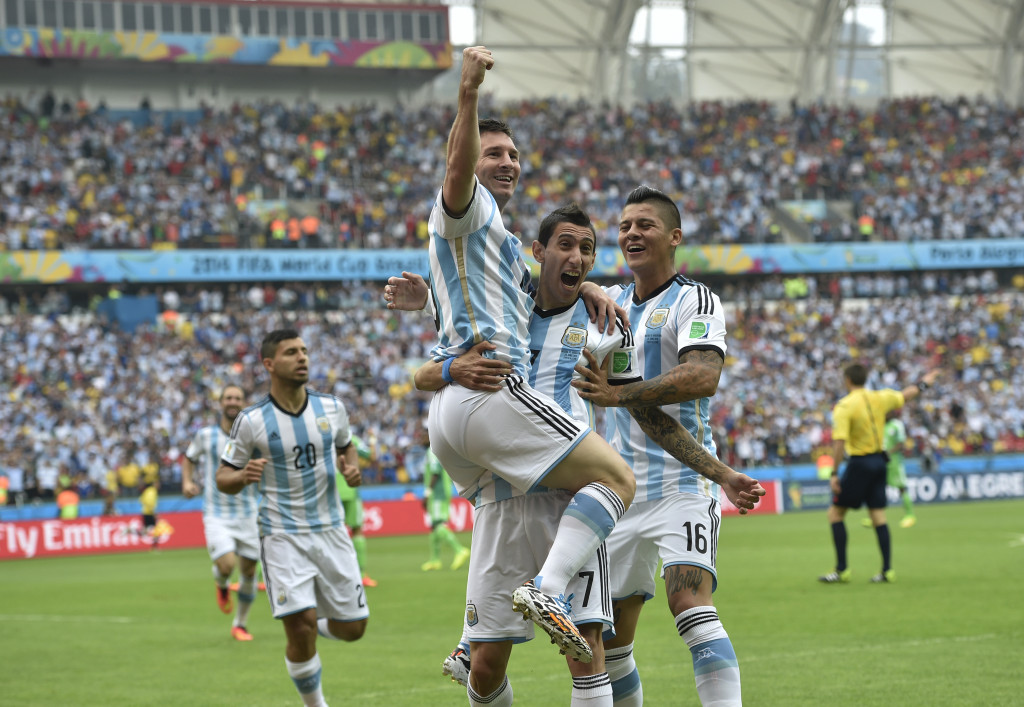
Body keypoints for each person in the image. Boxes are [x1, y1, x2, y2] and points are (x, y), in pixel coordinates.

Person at [414, 203, 762, 707]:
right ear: (538, 252)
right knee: (524, 662)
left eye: (587, 249)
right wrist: (430, 311)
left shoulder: (622, 318)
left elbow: (656, 393)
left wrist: (719, 472)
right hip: (545, 497)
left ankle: (546, 589)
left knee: (626, 634)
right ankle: (478, 637)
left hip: (608, 491)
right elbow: (439, 357)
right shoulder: (541, 308)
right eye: (623, 226)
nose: (579, 256)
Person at [386, 45, 636, 666]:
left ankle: (475, 640)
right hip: (494, 396)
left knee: (490, 660)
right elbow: (454, 174)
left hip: (456, 414)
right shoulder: (468, 206)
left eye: (514, 154)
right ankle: (548, 591)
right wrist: (468, 93)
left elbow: (514, 288)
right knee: (616, 478)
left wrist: (428, 304)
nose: (508, 162)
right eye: (494, 152)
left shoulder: (498, 244)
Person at [572, 185, 762, 706]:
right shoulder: (605, 305)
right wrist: (586, 286)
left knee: (690, 606)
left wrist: (617, 393)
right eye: (626, 225)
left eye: (645, 225)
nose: (632, 232)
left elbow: (702, 375)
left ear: (674, 237)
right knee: (609, 643)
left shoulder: (694, 299)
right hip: (616, 491)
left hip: (682, 484)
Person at [217, 329, 367, 707]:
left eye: (304, 351)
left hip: (331, 530)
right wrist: (243, 475)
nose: (302, 357)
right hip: (281, 534)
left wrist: (350, 468)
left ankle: (310, 621)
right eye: (290, 353)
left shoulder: (331, 408)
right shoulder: (251, 420)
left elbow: (347, 448)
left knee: (353, 629)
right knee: (298, 630)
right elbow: (224, 477)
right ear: (269, 364)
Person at [818, 363, 939, 584]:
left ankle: (842, 570)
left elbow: (839, 442)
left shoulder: (845, 406)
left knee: (835, 514)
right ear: (865, 379)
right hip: (880, 461)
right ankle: (887, 570)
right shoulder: (880, 397)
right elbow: (906, 395)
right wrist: (924, 383)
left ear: (847, 380)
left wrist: (834, 473)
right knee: (878, 516)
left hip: (860, 462)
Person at [182, 384, 261, 641]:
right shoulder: (206, 436)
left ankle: (240, 624)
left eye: (237, 397)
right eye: (228, 397)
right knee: (227, 565)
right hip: (216, 514)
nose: (232, 401)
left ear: (243, 403)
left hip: (249, 513)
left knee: (249, 571)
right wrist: (187, 482)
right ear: (220, 403)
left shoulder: (255, 436)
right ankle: (222, 582)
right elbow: (189, 458)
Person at [421, 431, 471, 572]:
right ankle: (435, 560)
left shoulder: (432, 452)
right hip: (439, 493)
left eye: (423, 436)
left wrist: (427, 493)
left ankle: (459, 550)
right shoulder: (434, 451)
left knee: (438, 524)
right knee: (433, 526)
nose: (420, 439)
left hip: (438, 493)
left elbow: (435, 473)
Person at [337, 433, 377, 587]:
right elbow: (372, 456)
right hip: (350, 488)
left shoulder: (319, 435)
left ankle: (337, 576)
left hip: (329, 491)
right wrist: (372, 439)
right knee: (357, 530)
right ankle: (361, 575)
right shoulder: (350, 438)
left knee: (332, 533)